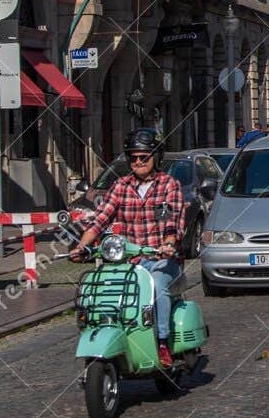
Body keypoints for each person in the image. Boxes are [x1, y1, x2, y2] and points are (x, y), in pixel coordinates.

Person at [70, 130, 186, 369]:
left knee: (157, 286)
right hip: (130, 262)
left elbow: (171, 220)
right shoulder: (121, 186)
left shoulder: (168, 185)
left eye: (144, 157)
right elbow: (100, 220)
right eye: (133, 158)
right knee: (103, 286)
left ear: (156, 157)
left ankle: (162, 342)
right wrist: (81, 246)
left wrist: (168, 244)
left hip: (162, 260)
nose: (138, 162)